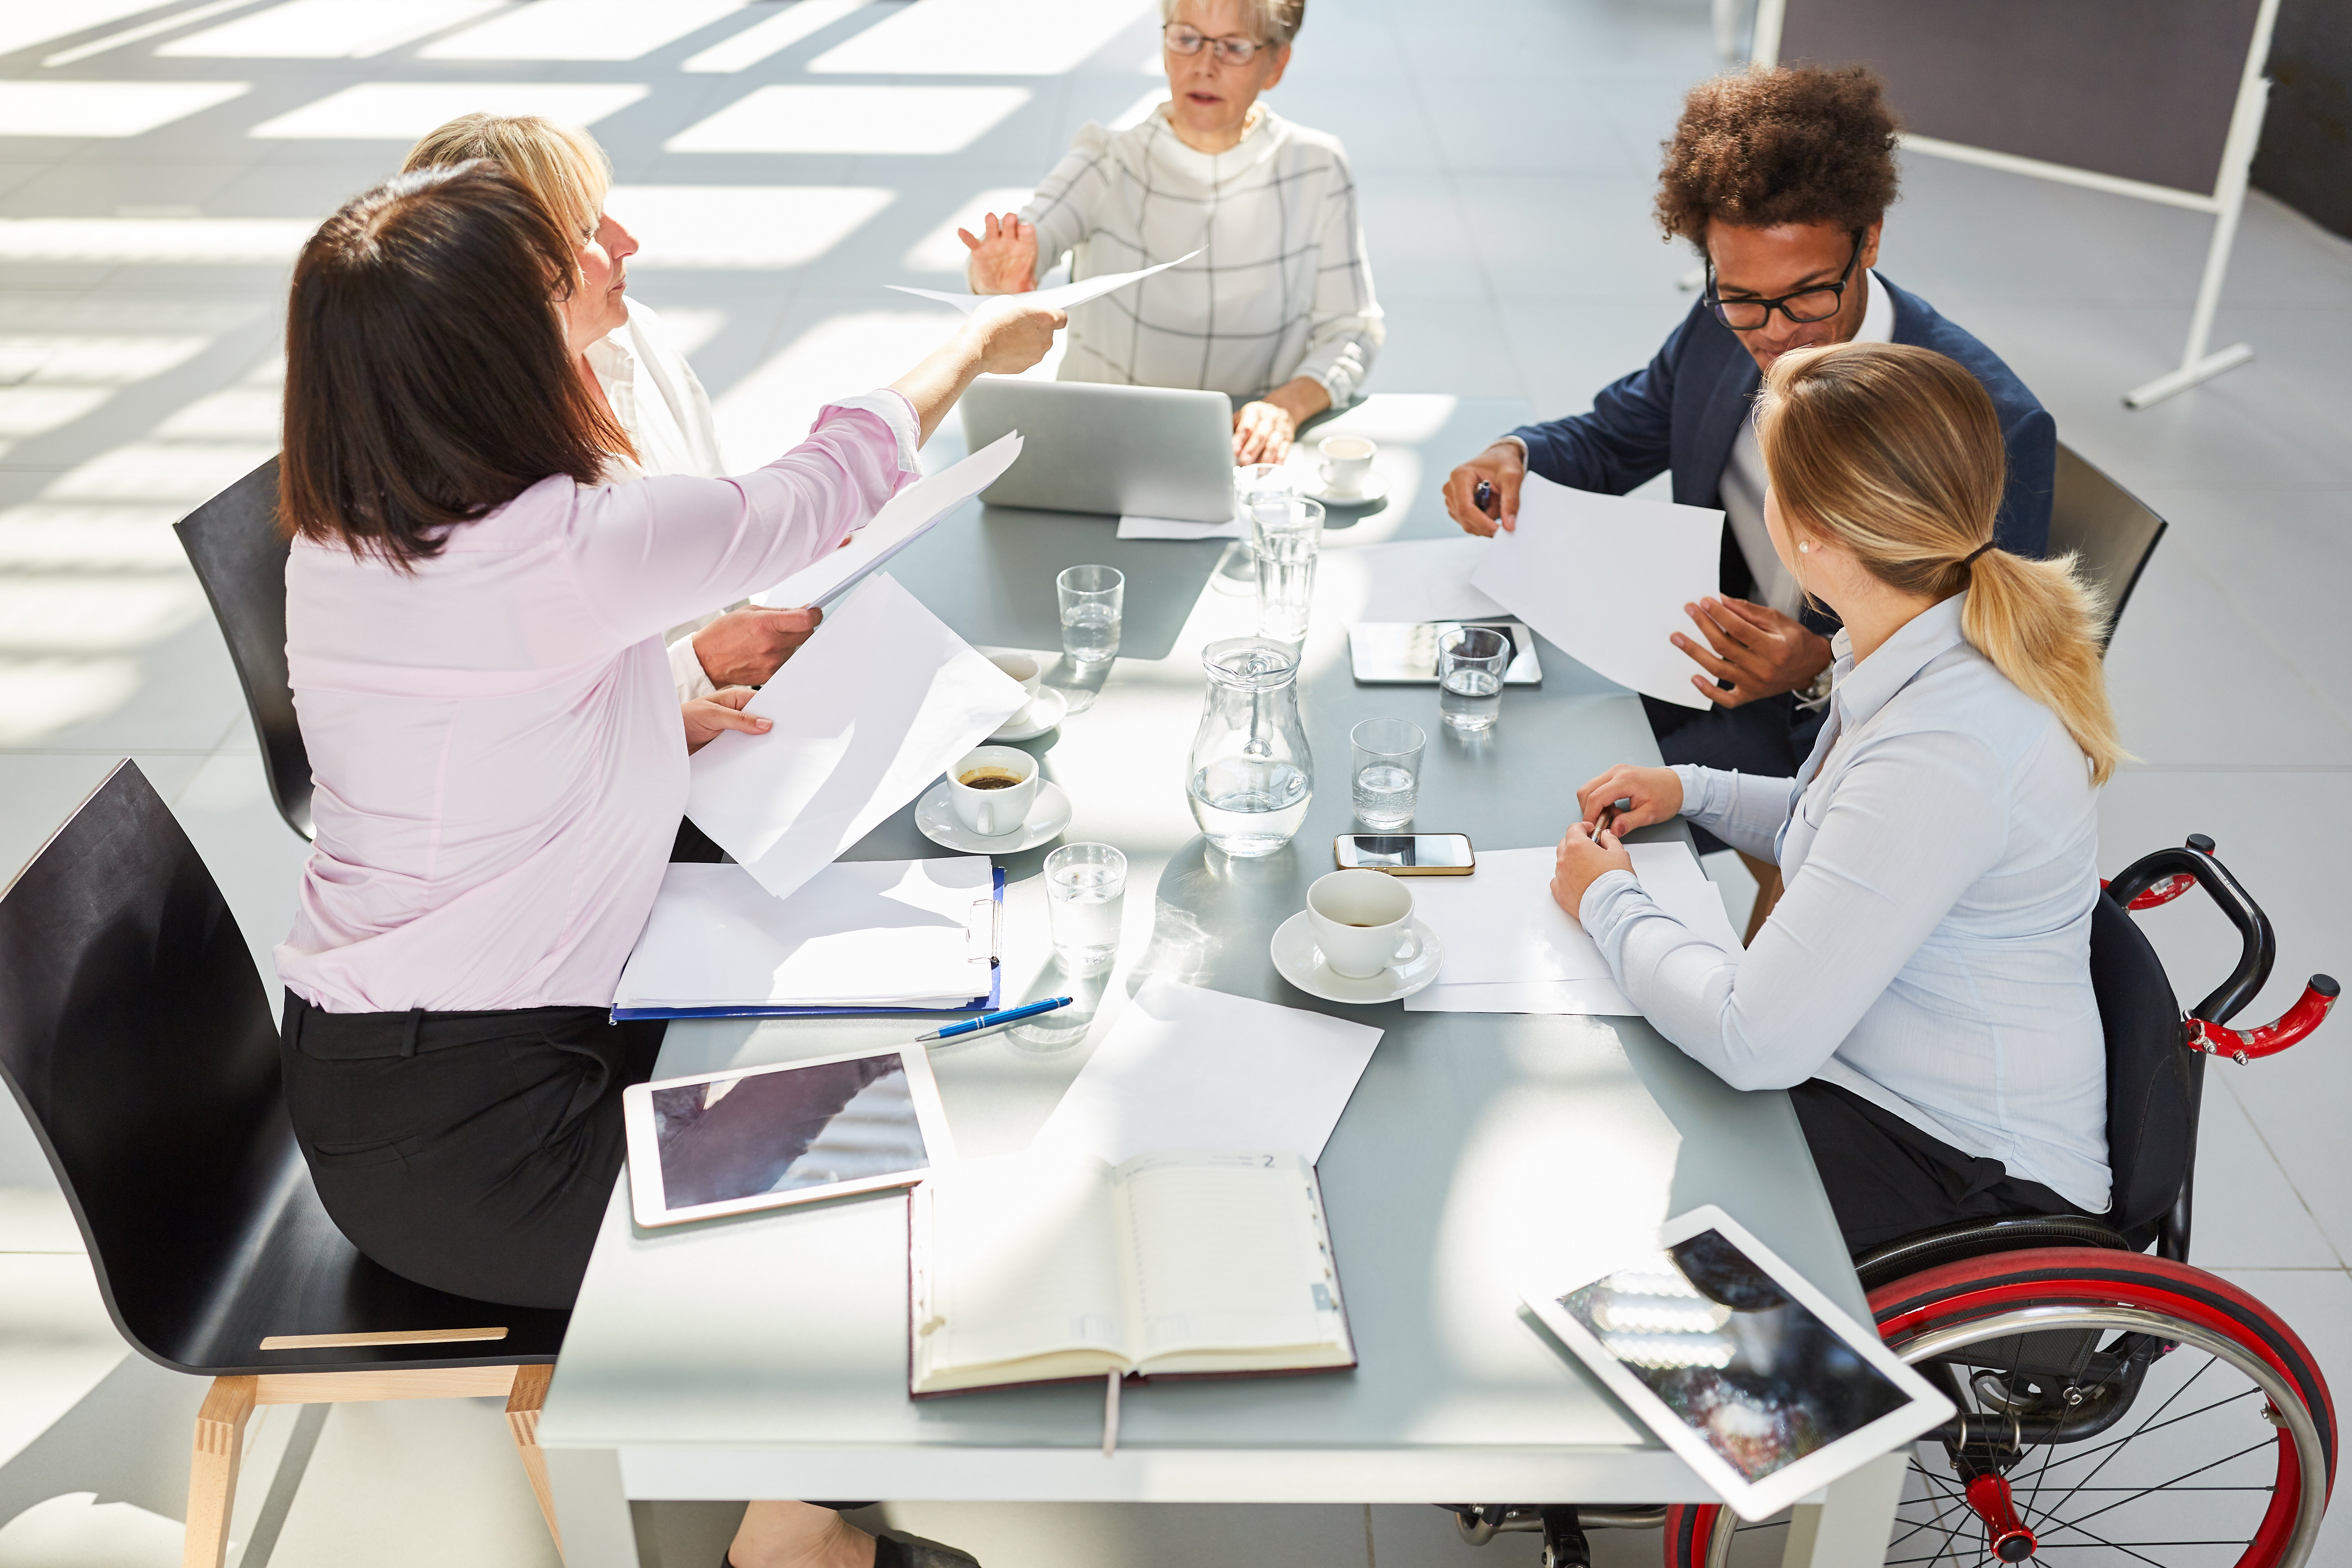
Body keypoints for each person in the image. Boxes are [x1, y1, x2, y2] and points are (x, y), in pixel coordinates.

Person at [273, 162, 1063, 1568]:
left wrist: (659, 700)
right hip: (477, 1147)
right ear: (493, 355)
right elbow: (823, 488)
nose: (597, 253)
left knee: (861, 1067)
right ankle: (786, 1545)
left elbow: (489, 722)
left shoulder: (347, 536)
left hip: (396, 1073)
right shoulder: (564, 546)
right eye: (558, 259)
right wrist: (978, 342)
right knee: (875, 1184)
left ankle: (797, 1497)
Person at [1442, 66, 2054, 935]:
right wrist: (1518, 453)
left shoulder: (1987, 422)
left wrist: (1820, 659)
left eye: (1809, 293)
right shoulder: (1720, 321)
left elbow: (1997, 667)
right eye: (1743, 300)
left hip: (1831, 735)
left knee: (1552, 824)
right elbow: (1621, 434)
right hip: (1694, 661)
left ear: (1870, 241)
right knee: (1493, 747)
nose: (1776, 334)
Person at [1550, 341, 2121, 1256]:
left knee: (1606, 1189)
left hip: (1967, 1174)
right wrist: (1689, 789)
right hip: (1883, 1081)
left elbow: (1752, 1041)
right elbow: (1841, 827)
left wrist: (1606, 900)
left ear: (1807, 531)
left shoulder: (1947, 746)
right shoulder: (1918, 638)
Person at [401, 113, 815, 705]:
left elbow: (718, 513)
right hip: (614, 761)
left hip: (738, 697)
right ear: (513, 275)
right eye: (590, 228)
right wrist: (703, 667)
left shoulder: (629, 332)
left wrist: (793, 542)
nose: (627, 242)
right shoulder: (466, 473)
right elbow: (530, 719)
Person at [960, 0, 1382, 463]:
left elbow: (1353, 331)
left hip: (1243, 453)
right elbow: (1031, 238)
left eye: (1234, 47)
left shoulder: (1317, 167)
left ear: (1276, 63)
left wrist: (1286, 407)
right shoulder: (1107, 157)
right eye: (1186, 40)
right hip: (1100, 449)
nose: (1204, 66)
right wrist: (995, 283)